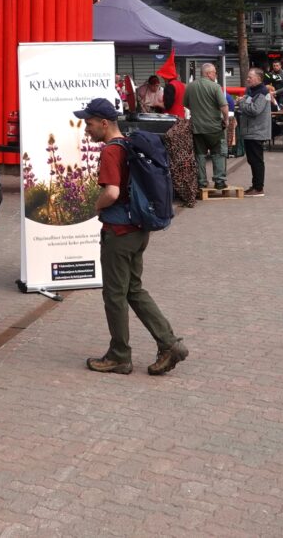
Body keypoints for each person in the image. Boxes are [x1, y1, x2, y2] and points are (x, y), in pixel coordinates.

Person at [73, 100, 189, 377]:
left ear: (104, 123)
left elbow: (112, 192)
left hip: (118, 233)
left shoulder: (111, 151)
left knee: (115, 294)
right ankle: (169, 344)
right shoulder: (128, 145)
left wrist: (96, 206)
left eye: (89, 123)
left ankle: (119, 356)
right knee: (134, 290)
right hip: (138, 229)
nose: (86, 129)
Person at [184, 63, 229, 191]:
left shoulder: (190, 86)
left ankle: (201, 182)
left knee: (200, 155)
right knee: (218, 154)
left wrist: (198, 111)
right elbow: (224, 107)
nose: (216, 75)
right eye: (214, 72)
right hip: (214, 127)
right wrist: (226, 120)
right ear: (208, 73)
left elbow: (186, 104)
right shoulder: (215, 87)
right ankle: (219, 181)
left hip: (197, 127)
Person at [235, 68, 272, 196]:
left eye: (250, 77)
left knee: (256, 160)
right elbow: (249, 106)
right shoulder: (252, 91)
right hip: (251, 131)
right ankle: (255, 186)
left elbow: (255, 110)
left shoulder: (262, 92)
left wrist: (242, 102)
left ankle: (258, 188)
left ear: (258, 78)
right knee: (252, 160)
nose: (247, 79)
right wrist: (244, 102)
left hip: (256, 131)